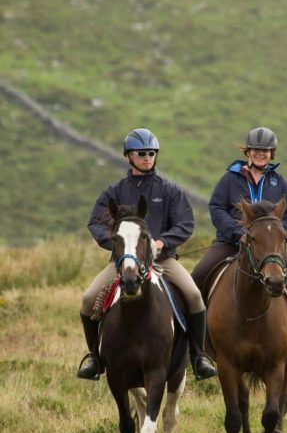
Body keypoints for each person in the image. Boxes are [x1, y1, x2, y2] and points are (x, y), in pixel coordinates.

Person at [77, 128, 217, 381]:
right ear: (128, 156)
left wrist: (163, 242)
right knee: (88, 300)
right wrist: (119, 246)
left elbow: (185, 223)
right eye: (141, 153)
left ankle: (198, 356)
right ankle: (94, 358)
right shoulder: (114, 191)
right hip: (124, 263)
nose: (147, 158)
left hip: (163, 261)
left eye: (151, 153)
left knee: (195, 296)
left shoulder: (170, 190)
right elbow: (96, 223)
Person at [192, 126, 287, 356]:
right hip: (231, 243)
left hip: (269, 248)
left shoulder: (279, 182)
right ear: (248, 152)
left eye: (265, 151)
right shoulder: (230, 179)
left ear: (272, 153)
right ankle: (194, 344)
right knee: (196, 278)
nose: (260, 154)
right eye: (256, 150)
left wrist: (277, 238)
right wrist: (237, 232)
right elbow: (216, 208)